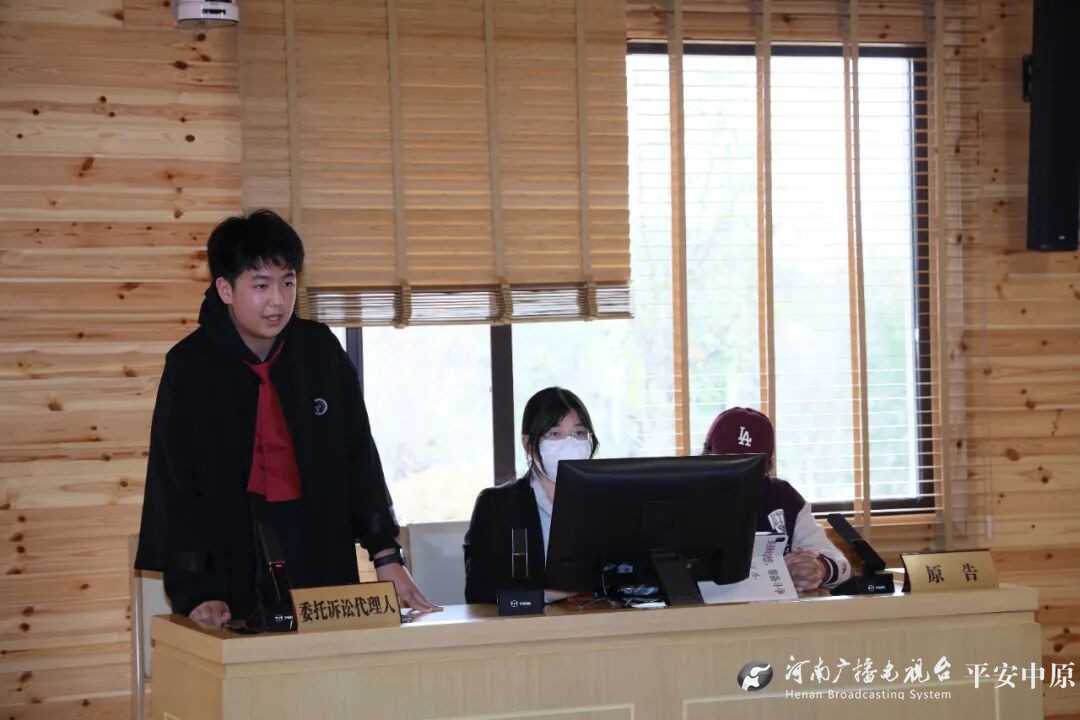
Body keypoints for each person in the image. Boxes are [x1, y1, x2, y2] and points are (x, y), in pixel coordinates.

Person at [135, 209, 438, 627]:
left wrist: (386, 555)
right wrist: (197, 590)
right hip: (229, 559)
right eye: (261, 285)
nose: (278, 300)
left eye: (288, 282)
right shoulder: (190, 367)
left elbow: (359, 458)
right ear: (225, 289)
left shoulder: (320, 352)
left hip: (318, 542)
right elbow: (176, 486)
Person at [463, 387, 598, 604]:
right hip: (530, 622)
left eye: (579, 433)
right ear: (528, 444)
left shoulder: (604, 502)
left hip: (597, 617)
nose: (569, 443)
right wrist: (547, 595)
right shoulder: (497, 505)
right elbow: (480, 590)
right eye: (555, 434)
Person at [703, 407, 852, 592]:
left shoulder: (784, 498)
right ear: (706, 455)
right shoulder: (683, 498)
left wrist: (818, 568)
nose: (738, 475)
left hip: (774, 609)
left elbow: (842, 566)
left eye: (750, 466)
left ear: (768, 467)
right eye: (728, 462)